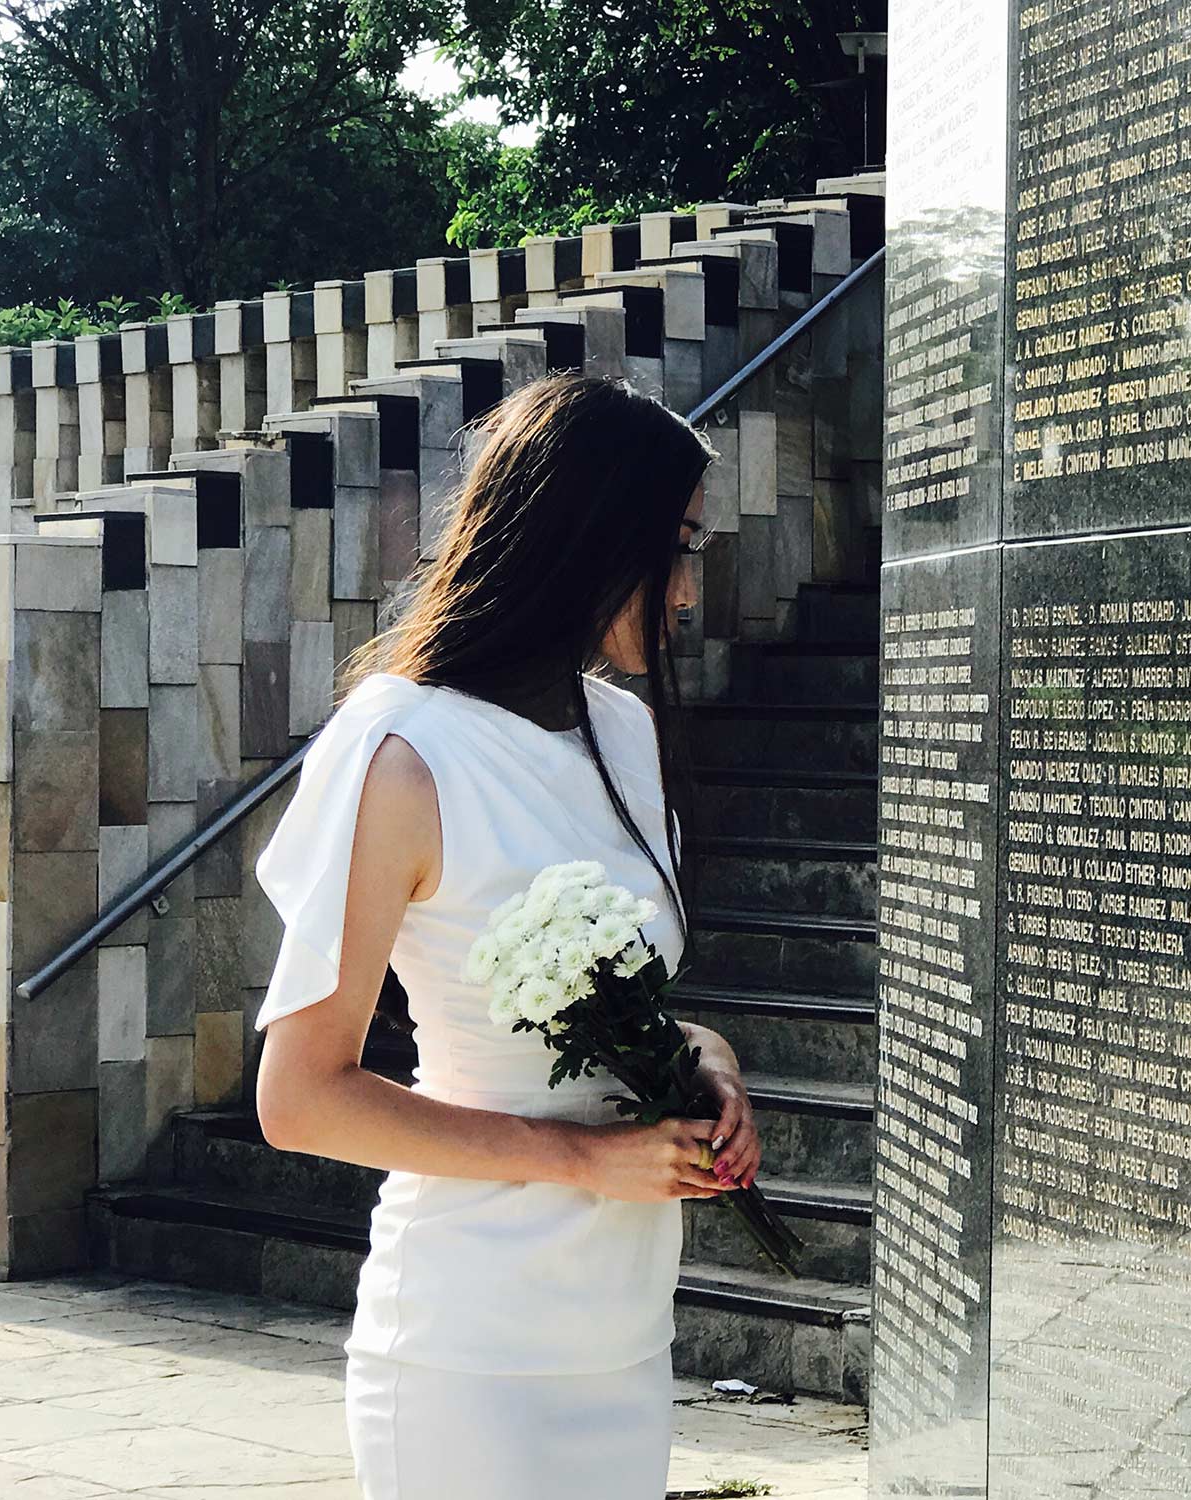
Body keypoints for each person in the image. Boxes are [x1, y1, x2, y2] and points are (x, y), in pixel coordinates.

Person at [250, 373, 760, 1498]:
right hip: (470, 1347)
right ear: (586, 534)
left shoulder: (621, 734)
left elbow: (614, 1006)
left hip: (621, 1332)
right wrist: (584, 1158)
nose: (682, 594)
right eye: (672, 548)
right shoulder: (402, 751)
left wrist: (706, 1063)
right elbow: (300, 1097)